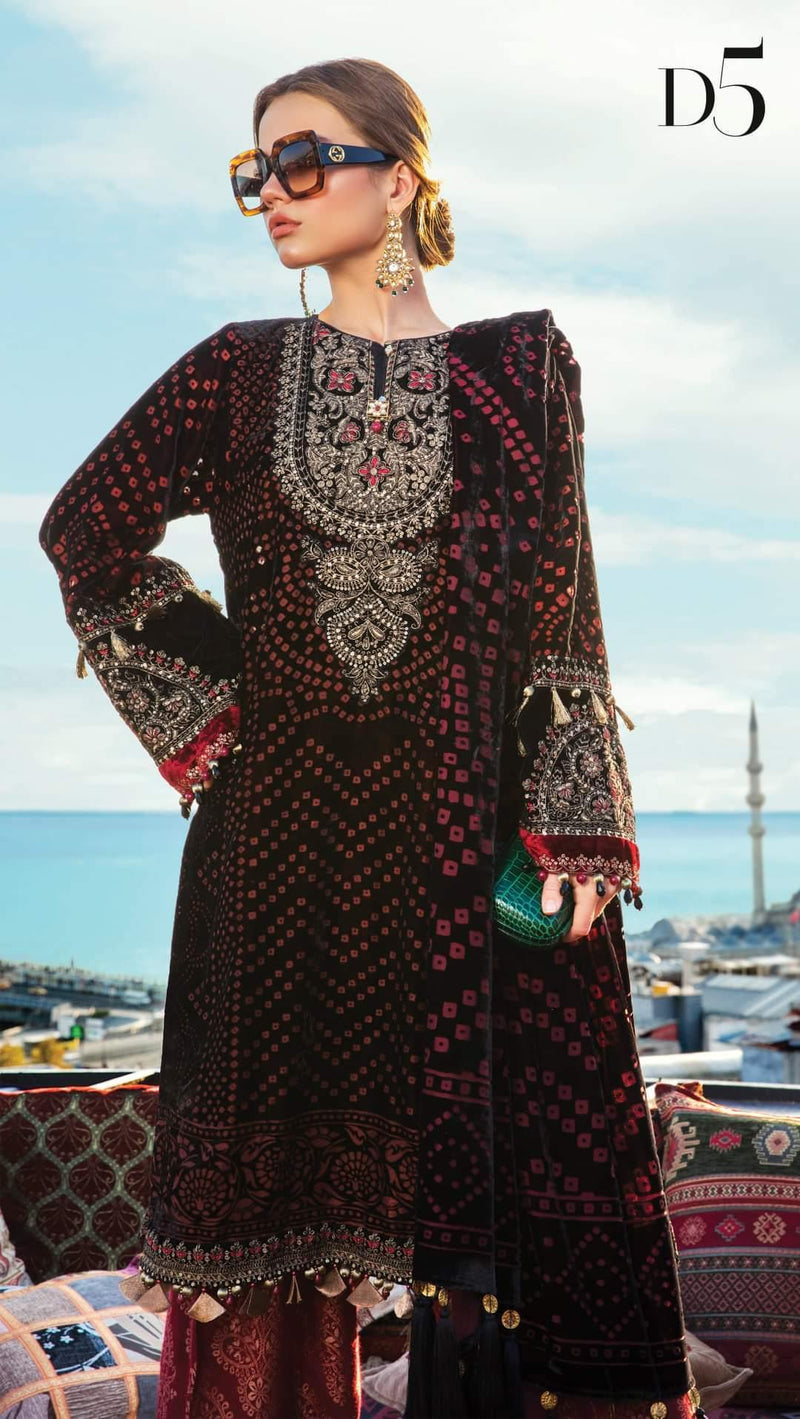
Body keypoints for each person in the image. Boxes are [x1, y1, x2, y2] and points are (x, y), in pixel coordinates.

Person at [38, 55, 702, 1419]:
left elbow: (564, 607)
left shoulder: (521, 371)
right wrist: (219, 704)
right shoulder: (234, 371)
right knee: (261, 1236)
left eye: (302, 159)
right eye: (254, 172)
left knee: (510, 1202)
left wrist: (579, 823)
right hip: (275, 857)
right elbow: (84, 529)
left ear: (397, 178)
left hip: (467, 843)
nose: (270, 193)